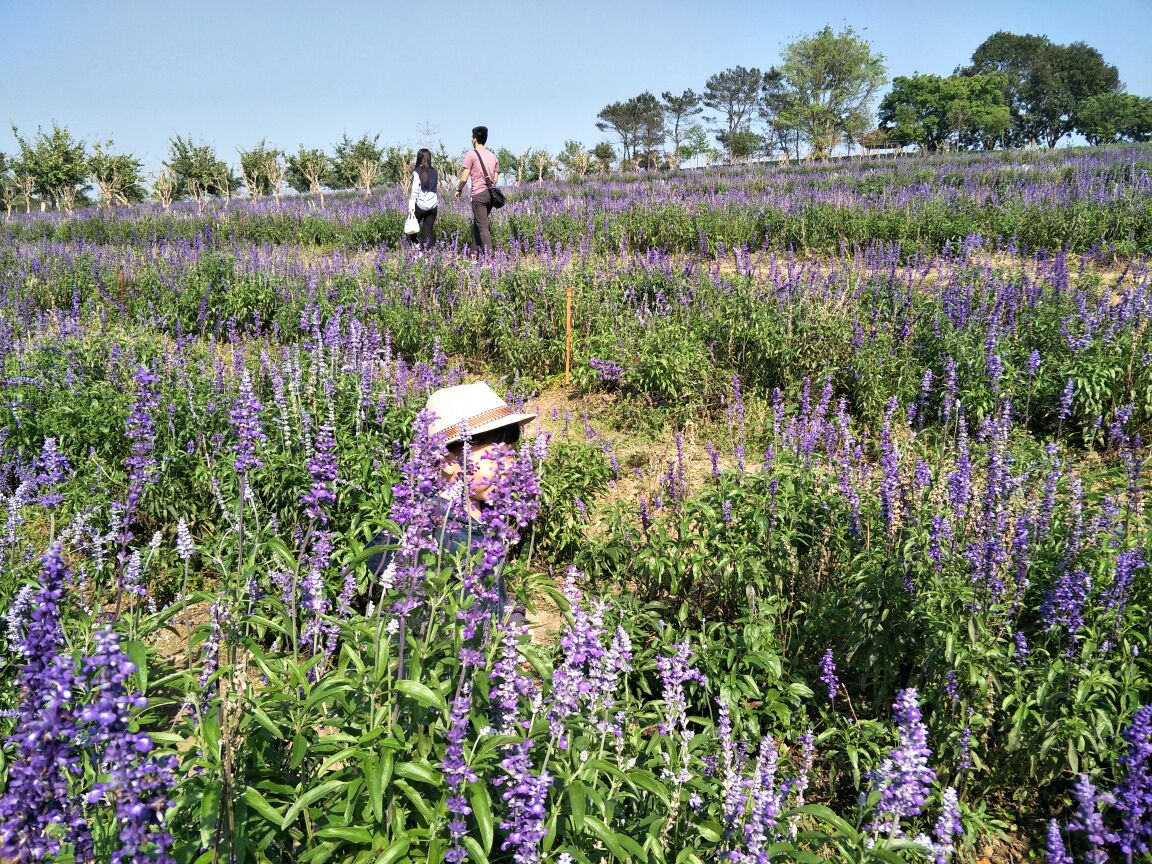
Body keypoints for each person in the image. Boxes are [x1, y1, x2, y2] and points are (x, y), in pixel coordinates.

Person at [363, 381, 536, 621]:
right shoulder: (427, 523)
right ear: (448, 460)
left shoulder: (488, 513)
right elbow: (378, 560)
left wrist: (508, 615)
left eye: (512, 454)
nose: (510, 466)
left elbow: (489, 587)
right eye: (495, 457)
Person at [455, 126, 499, 257]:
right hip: (490, 195)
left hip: (478, 194)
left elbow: (464, 177)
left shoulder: (471, 154)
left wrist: (459, 189)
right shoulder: (493, 156)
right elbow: (495, 178)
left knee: (482, 227)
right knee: (478, 223)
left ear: (474, 139)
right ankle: (474, 255)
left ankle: (490, 259)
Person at [407, 148, 438, 251]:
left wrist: (411, 207)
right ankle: (427, 255)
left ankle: (417, 250)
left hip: (421, 206)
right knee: (428, 231)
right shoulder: (435, 171)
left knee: (410, 229)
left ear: (419, 158)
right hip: (433, 206)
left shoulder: (417, 171)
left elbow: (415, 191)